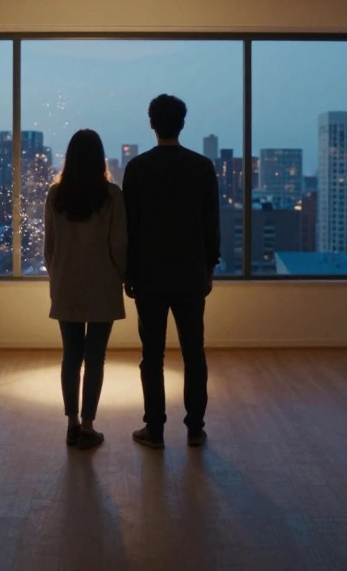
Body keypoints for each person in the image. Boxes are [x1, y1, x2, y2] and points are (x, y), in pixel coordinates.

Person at [122, 94, 219, 449]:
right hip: (191, 273)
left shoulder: (137, 168)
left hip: (149, 275)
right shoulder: (202, 167)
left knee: (152, 356)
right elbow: (212, 226)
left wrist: (128, 273)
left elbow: (129, 227)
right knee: (194, 353)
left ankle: (156, 429)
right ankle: (195, 428)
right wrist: (209, 268)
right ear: (182, 123)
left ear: (152, 124)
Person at [45, 129, 127, 450]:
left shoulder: (56, 195)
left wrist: (57, 278)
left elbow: (49, 249)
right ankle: (89, 427)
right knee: (95, 358)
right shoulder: (112, 195)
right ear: (100, 158)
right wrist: (123, 277)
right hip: (103, 285)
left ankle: (72, 425)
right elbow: (119, 245)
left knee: (71, 357)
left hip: (67, 285)